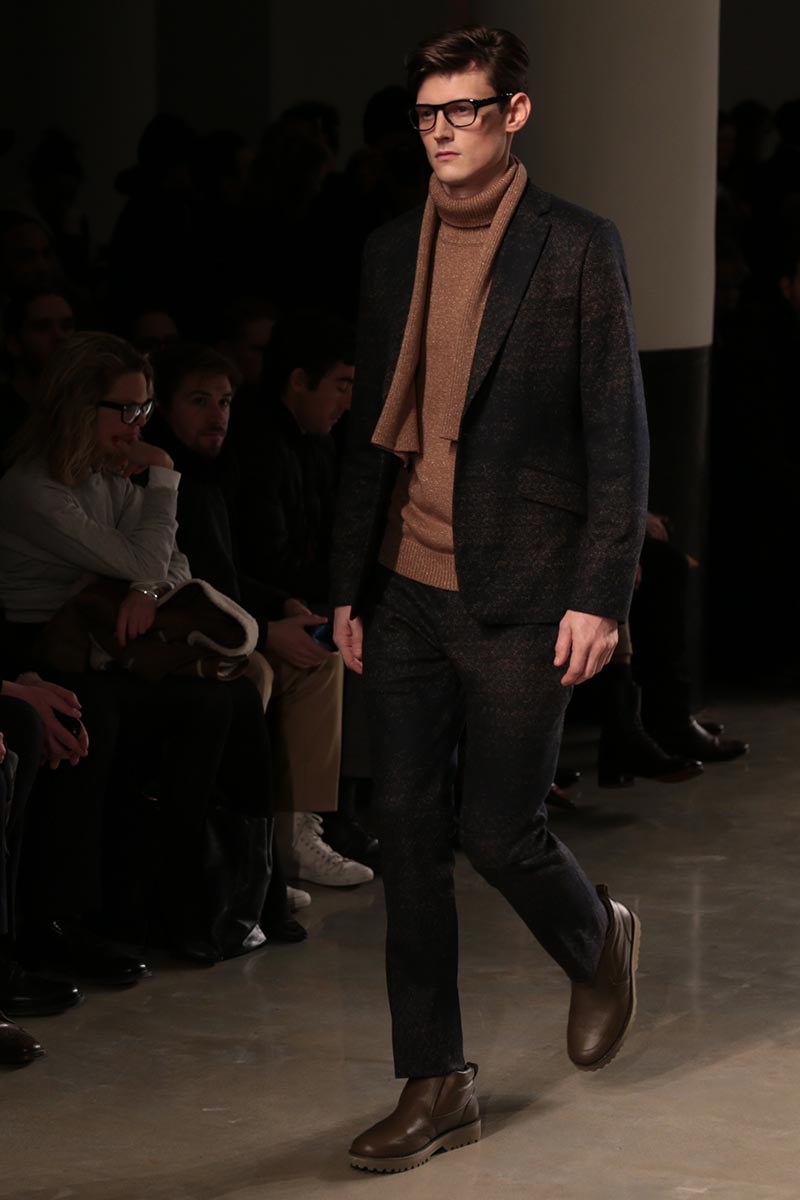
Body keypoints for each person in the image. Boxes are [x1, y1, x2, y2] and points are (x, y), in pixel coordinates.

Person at [331, 26, 649, 1173]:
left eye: (462, 110)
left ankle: (595, 939)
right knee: (407, 839)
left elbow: (617, 431)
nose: (441, 132)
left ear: (512, 114)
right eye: (426, 114)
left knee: (498, 831)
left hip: (523, 587)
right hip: (404, 588)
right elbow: (368, 432)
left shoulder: (575, 246)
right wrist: (344, 587)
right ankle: (435, 1081)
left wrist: (599, 593)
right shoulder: (388, 251)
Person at [0, 332, 276, 970]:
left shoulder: (108, 475)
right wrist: (166, 475)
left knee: (226, 699)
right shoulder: (33, 487)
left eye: (144, 409)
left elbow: (172, 565)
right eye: (125, 409)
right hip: (42, 642)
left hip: (107, 639)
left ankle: (214, 897)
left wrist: (146, 588)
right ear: (78, 407)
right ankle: (75, 916)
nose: (136, 425)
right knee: (97, 710)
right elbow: (147, 558)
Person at [146, 342, 372, 891]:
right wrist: (268, 629)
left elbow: (225, 574)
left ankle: (293, 838)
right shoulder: (160, 478)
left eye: (224, 401)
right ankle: (248, 857)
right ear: (163, 407)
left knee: (321, 653)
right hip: (178, 639)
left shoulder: (214, 470)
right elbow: (177, 588)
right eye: (199, 400)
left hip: (230, 623)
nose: (216, 415)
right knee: (265, 672)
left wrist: (279, 606)